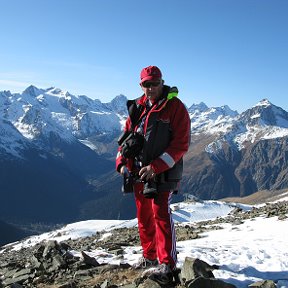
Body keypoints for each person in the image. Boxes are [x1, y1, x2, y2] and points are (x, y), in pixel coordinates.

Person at [116, 65, 190, 285]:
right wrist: (121, 164)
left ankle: (167, 264)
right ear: (141, 85)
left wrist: (156, 167)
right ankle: (149, 257)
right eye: (146, 84)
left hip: (163, 173)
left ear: (162, 83)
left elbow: (180, 145)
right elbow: (126, 140)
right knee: (144, 218)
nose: (150, 88)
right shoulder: (137, 108)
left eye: (154, 83)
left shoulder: (175, 107)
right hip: (139, 171)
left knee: (161, 215)